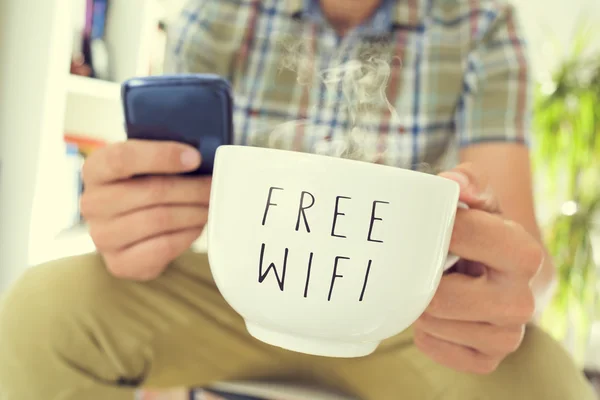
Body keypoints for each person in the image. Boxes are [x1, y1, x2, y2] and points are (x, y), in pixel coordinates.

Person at [0, 0, 596, 399]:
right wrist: (134, 218)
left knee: (546, 381)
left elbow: (520, 253)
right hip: (228, 293)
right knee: (41, 313)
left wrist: (499, 274)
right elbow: (165, 184)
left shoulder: (480, 24)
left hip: (409, 319)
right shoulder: (220, 14)